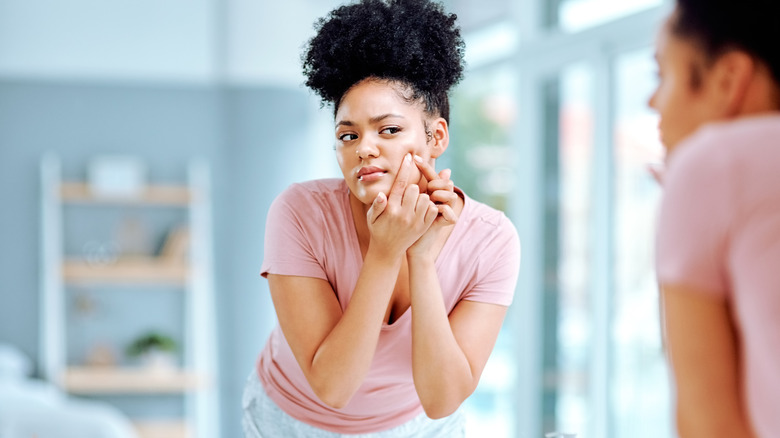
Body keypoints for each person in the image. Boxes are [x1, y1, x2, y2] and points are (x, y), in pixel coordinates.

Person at [241, 0, 521, 436]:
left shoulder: (491, 240)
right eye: (347, 135)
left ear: (436, 136)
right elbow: (332, 387)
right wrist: (387, 252)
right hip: (292, 419)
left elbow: (441, 400)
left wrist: (422, 260)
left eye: (388, 129)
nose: (364, 148)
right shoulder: (298, 213)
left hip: (417, 426)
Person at [650, 0, 780, 436]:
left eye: (662, 75)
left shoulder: (715, 164)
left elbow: (710, 426)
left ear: (728, 79)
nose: (653, 102)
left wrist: (692, 203)